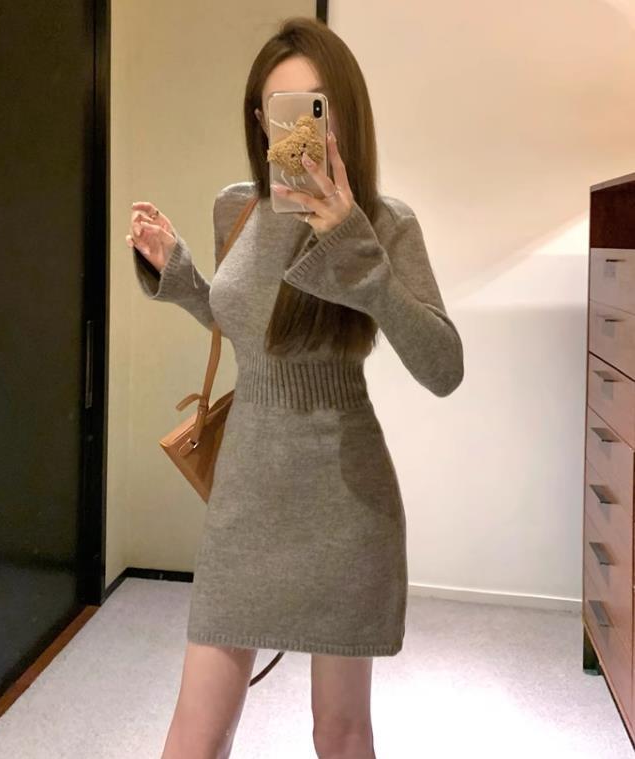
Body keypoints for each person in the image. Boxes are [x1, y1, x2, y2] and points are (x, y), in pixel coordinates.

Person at [126, 15, 464, 759]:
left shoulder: (384, 223)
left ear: (343, 114)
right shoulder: (236, 207)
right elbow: (249, 327)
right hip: (246, 497)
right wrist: (179, 275)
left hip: (346, 503)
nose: (297, 132)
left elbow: (443, 367)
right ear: (261, 122)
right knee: (194, 734)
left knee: (339, 735)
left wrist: (352, 242)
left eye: (314, 108)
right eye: (279, 112)